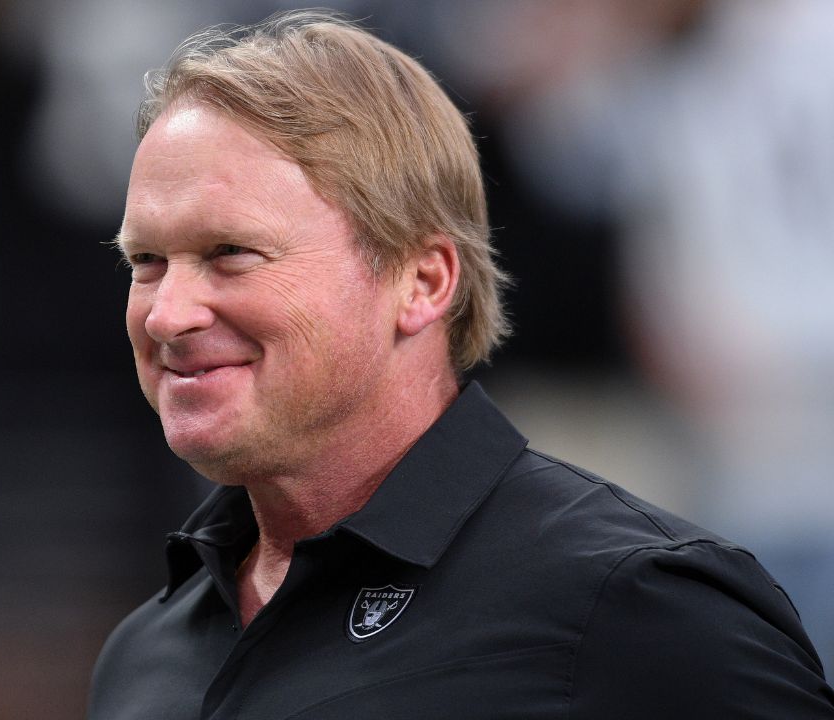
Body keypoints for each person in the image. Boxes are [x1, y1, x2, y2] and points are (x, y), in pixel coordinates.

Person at [87, 10, 834, 719]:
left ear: (423, 283)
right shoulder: (144, 653)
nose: (166, 314)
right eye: (146, 261)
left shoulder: (635, 608)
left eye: (231, 253)